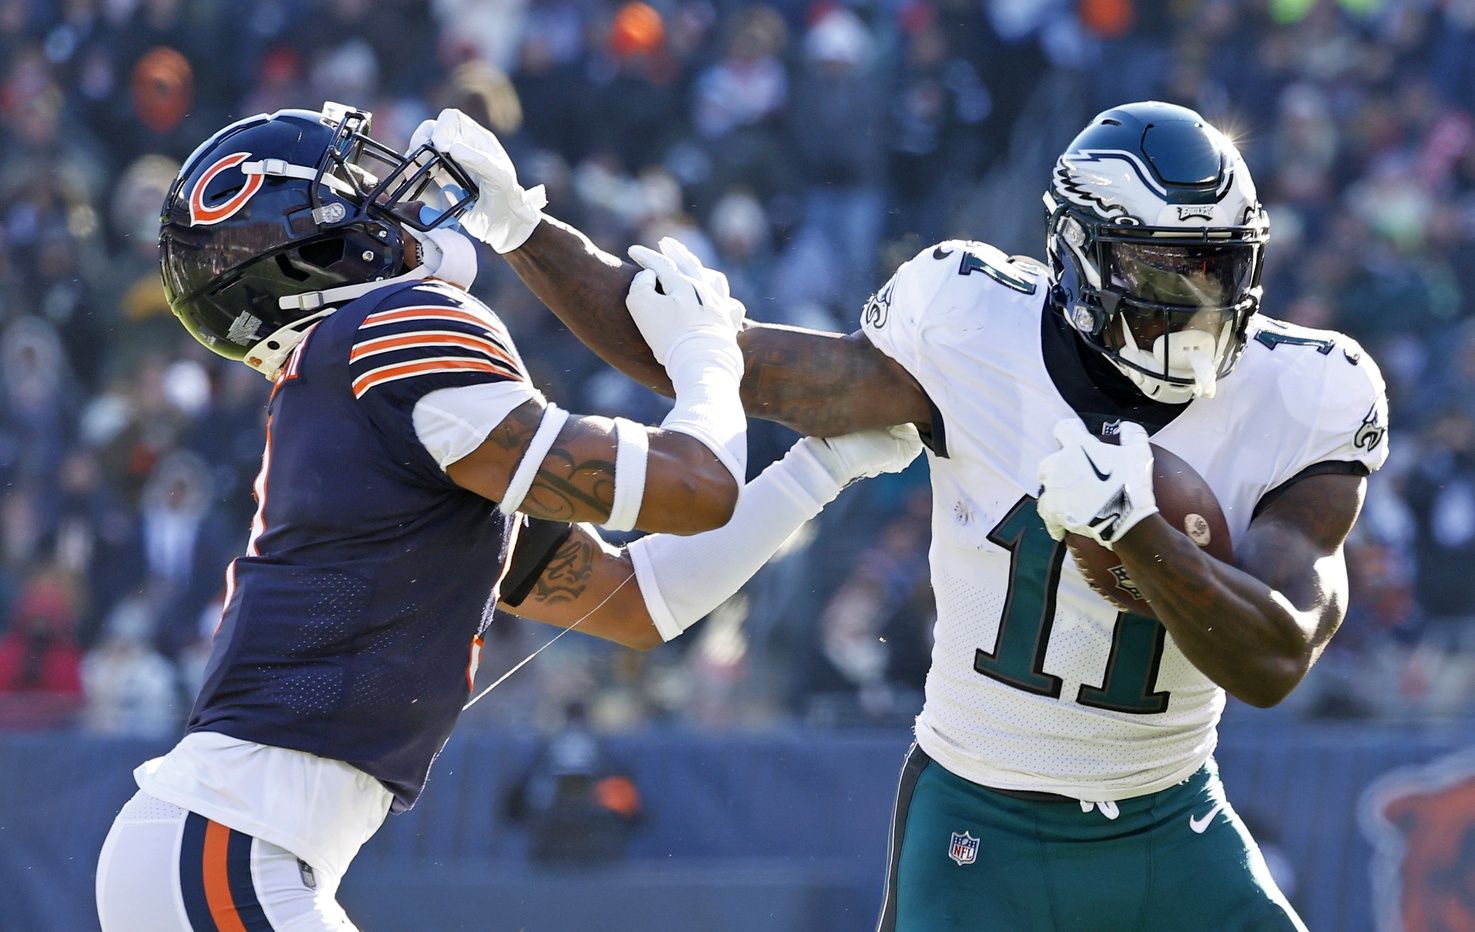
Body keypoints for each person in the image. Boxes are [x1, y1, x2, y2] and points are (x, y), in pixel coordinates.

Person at [443, 99, 1389, 929]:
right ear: (1079, 258)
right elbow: (725, 366)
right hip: (982, 818)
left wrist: (1131, 530)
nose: (1196, 307)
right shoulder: (971, 325)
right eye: (1161, 274)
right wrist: (522, 227)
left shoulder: (1304, 392)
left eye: (1217, 270)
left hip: (1169, 814)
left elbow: (1274, 660)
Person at [94, 102, 921, 930]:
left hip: (228, 847)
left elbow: (638, 603)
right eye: (355, 187)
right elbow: (695, 487)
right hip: (231, 850)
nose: (391, 198)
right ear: (305, 251)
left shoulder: (360, 393)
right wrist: (704, 350)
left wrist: (820, 468)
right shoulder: (391, 331)